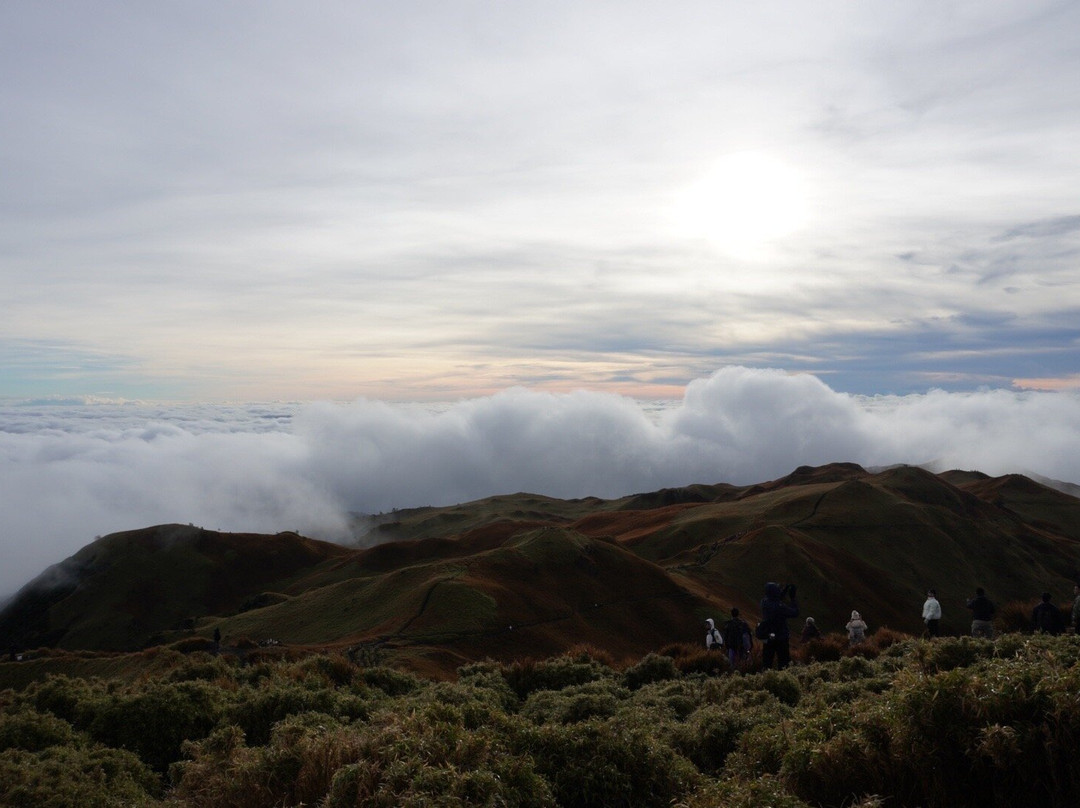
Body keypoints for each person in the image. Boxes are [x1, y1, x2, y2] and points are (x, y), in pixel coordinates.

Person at [760, 582, 799, 669]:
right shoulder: (780, 607)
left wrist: (784, 591)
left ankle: (766, 678)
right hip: (781, 637)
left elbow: (775, 598)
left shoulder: (764, 602)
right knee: (783, 662)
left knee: (767, 662)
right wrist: (793, 598)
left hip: (768, 637)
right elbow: (795, 613)